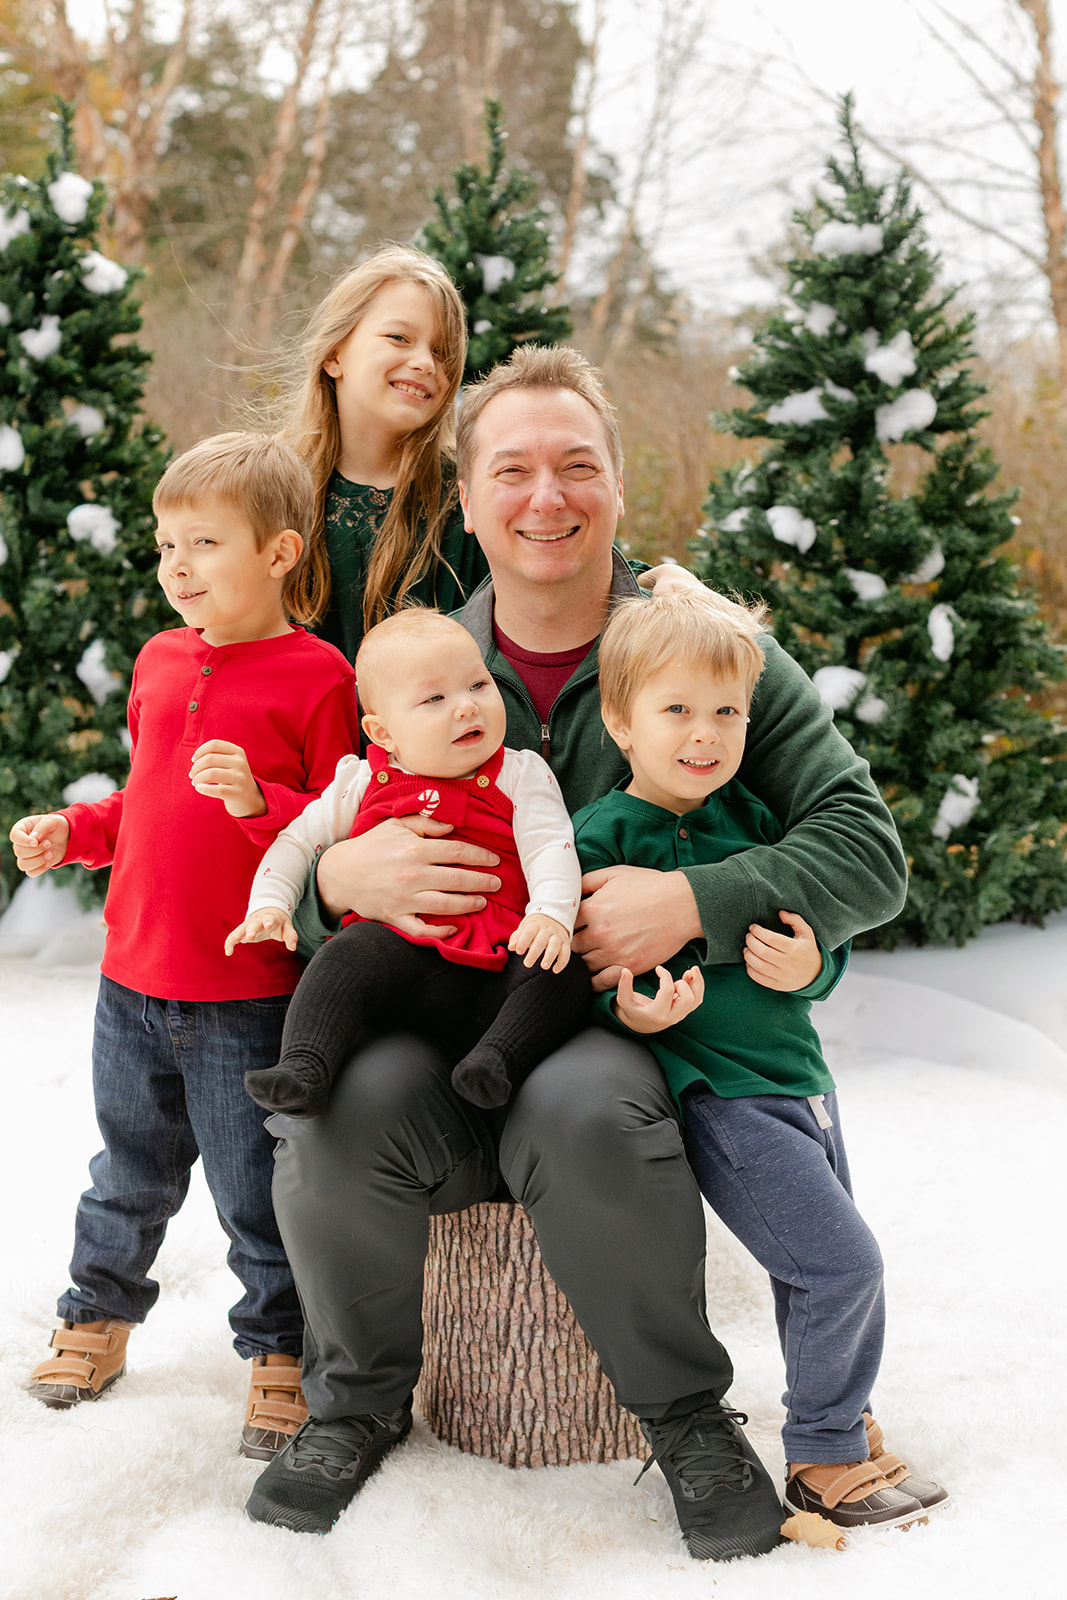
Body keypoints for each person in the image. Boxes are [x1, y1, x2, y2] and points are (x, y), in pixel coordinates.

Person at [243, 345, 909, 1562]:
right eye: (510, 469)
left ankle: (687, 1420)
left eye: (575, 466)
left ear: (616, 480)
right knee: (344, 1097)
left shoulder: (701, 653)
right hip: (428, 1025)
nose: (544, 497)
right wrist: (337, 882)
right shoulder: (415, 658)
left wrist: (693, 899)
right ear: (466, 490)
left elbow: (867, 851)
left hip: (608, 1037)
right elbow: (318, 814)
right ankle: (353, 1404)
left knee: (585, 1100)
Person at [8, 432, 361, 1460]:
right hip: (133, 979)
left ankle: (279, 1352)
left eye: (204, 541)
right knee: (126, 1169)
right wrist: (75, 833)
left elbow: (339, 823)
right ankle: (96, 1320)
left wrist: (261, 800)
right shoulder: (162, 661)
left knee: (257, 1188)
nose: (176, 563)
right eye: (167, 542)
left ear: (282, 552)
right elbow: (148, 805)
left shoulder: (317, 675)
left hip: (245, 989)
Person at [571, 585, 948, 1538]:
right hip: (725, 1098)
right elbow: (584, 970)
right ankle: (822, 1457)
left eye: (726, 712)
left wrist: (814, 963)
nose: (705, 735)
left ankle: (845, 1420)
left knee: (809, 1271)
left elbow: (816, 933)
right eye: (676, 712)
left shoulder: (756, 814)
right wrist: (637, 1011)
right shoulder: (604, 837)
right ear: (621, 720)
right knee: (840, 1265)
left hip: (803, 1086)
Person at [226, 608, 590, 1117]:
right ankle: (303, 1066)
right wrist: (271, 903)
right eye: (435, 698)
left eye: (478, 685)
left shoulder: (519, 773)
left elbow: (551, 845)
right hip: (403, 964)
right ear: (383, 732)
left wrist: (550, 913)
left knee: (562, 971)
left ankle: (495, 1060)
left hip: (498, 967)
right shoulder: (358, 781)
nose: (467, 707)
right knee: (345, 955)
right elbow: (295, 842)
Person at [277, 243, 486, 665]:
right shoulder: (270, 488)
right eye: (399, 338)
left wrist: (654, 579)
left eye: (442, 351)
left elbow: (562, 567)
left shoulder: (471, 499)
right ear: (335, 353)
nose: (426, 363)